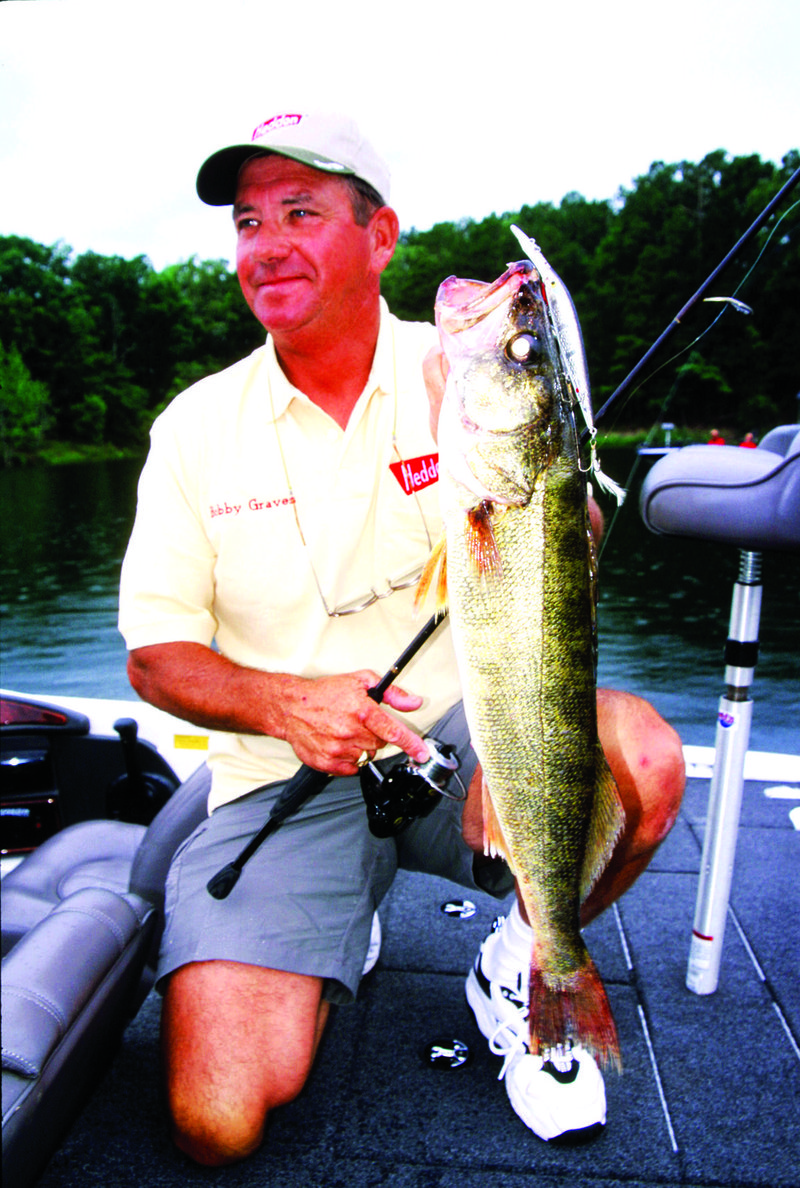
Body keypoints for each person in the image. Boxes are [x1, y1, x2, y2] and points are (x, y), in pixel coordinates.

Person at [119, 112, 685, 1165]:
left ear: (379, 237)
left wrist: (546, 466)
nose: (267, 244)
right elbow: (153, 659)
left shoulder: (464, 375)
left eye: (301, 211)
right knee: (216, 1118)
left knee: (642, 759)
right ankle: (335, 919)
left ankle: (526, 958)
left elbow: (572, 549)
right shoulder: (195, 426)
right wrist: (279, 701)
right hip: (285, 777)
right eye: (248, 221)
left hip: (466, 745)